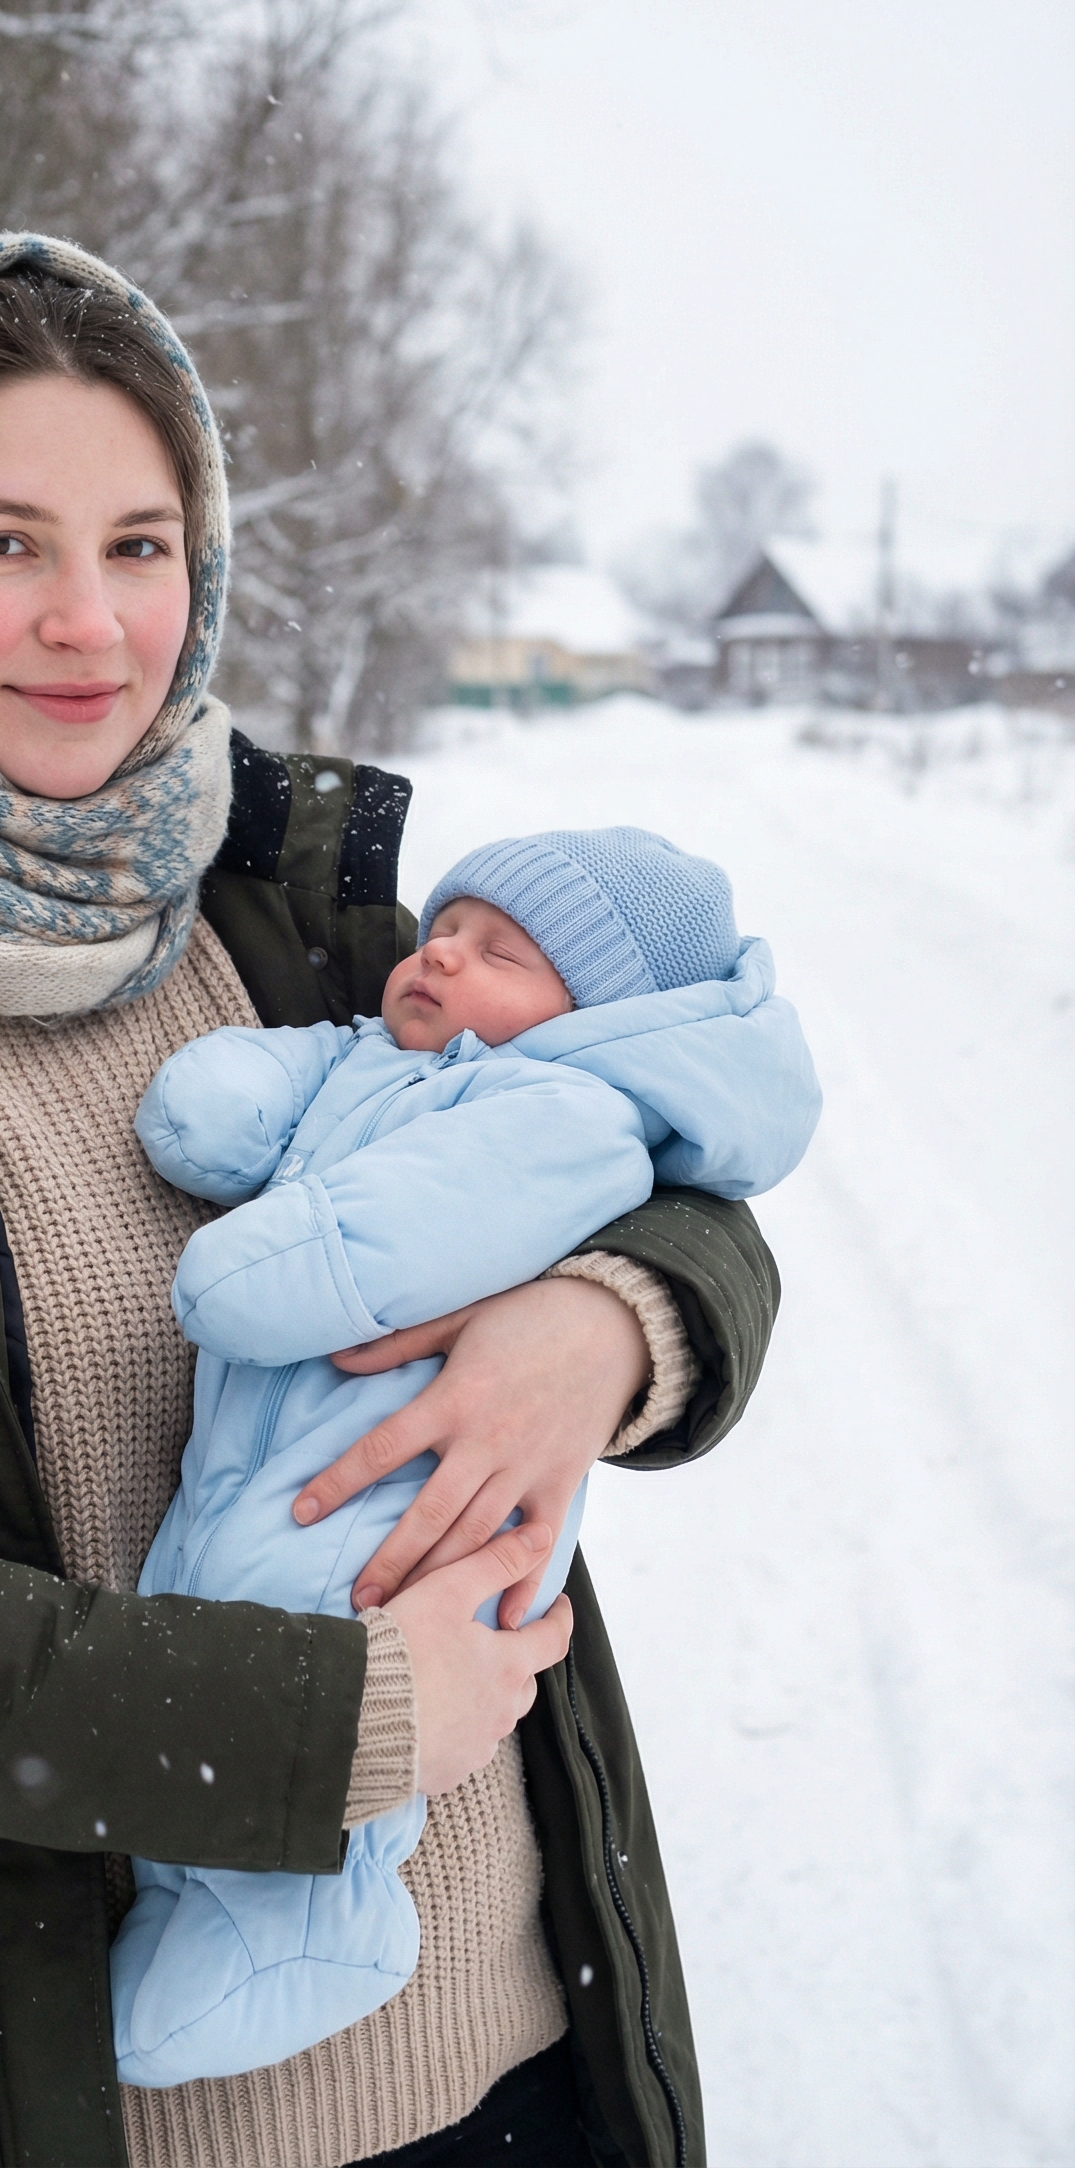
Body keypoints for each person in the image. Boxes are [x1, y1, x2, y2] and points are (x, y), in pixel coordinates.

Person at [0, 232, 783, 2168]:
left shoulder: (282, 900)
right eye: (4, 541)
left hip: (515, 2049)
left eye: (140, 544)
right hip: (65, 2091)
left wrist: (611, 1322)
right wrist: (331, 1719)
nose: (90, 623)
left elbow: (653, 1112)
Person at [112, 831, 821, 2087]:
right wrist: (225, 1099)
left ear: (591, 1022)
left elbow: (380, 1239)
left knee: (324, 1651)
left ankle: (320, 1923)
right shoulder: (384, 1061)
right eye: (445, 926)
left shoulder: (556, 1116)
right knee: (210, 1629)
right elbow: (225, 1117)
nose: (437, 952)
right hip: (264, 1468)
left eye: (500, 952)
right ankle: (196, 1903)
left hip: (397, 1506)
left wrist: (607, 1315)